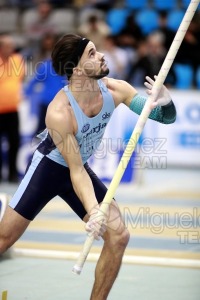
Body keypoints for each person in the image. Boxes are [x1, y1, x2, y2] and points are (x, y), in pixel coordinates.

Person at [0, 34, 176, 299]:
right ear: (77, 68)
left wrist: (167, 103)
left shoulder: (116, 90)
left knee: (118, 236)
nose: (102, 55)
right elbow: (75, 170)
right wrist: (94, 211)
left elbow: (164, 117)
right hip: (49, 168)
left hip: (78, 168)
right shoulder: (59, 112)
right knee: (4, 240)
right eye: (92, 53)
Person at [0, 34, 25, 183]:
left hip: (12, 109)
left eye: (12, 46)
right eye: (7, 46)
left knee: (14, 142)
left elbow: (19, 78)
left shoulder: (17, 60)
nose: (11, 48)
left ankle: (12, 173)